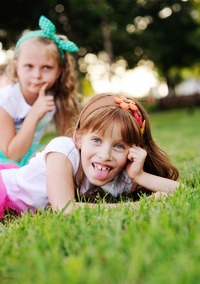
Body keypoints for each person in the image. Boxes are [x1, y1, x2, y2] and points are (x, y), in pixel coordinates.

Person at [0, 93, 180, 220]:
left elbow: (180, 191)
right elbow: (64, 210)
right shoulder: (64, 150)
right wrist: (138, 206)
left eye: (119, 146)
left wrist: (140, 175)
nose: (105, 155)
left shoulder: (121, 178)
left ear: (132, 151)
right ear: (78, 139)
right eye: (96, 140)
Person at [0, 15, 80, 166]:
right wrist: (34, 113)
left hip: (28, 156)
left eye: (46, 67)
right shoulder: (5, 100)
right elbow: (12, 156)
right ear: (17, 67)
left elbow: (69, 142)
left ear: (59, 72)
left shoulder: (58, 98)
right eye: (29, 66)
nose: (37, 75)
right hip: (6, 156)